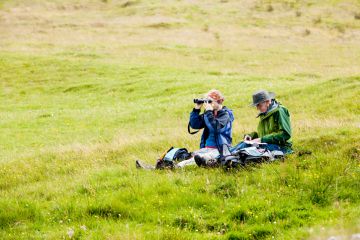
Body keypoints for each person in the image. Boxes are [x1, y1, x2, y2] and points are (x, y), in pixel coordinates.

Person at [177, 89, 234, 168]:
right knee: (186, 156)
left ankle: (176, 167)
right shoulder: (210, 114)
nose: (208, 104)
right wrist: (196, 109)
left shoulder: (225, 115)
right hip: (207, 148)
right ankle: (165, 165)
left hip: (219, 149)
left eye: (210, 101)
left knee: (196, 159)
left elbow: (215, 128)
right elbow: (195, 125)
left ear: (219, 101)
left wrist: (208, 112)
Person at [231, 90, 293, 154]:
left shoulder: (279, 111)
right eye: (256, 106)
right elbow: (264, 134)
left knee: (247, 146)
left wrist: (262, 139)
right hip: (268, 144)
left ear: (267, 101)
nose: (257, 108)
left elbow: (285, 134)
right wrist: (251, 136)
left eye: (259, 105)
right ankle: (225, 156)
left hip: (282, 147)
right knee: (243, 143)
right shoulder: (265, 112)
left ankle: (227, 156)